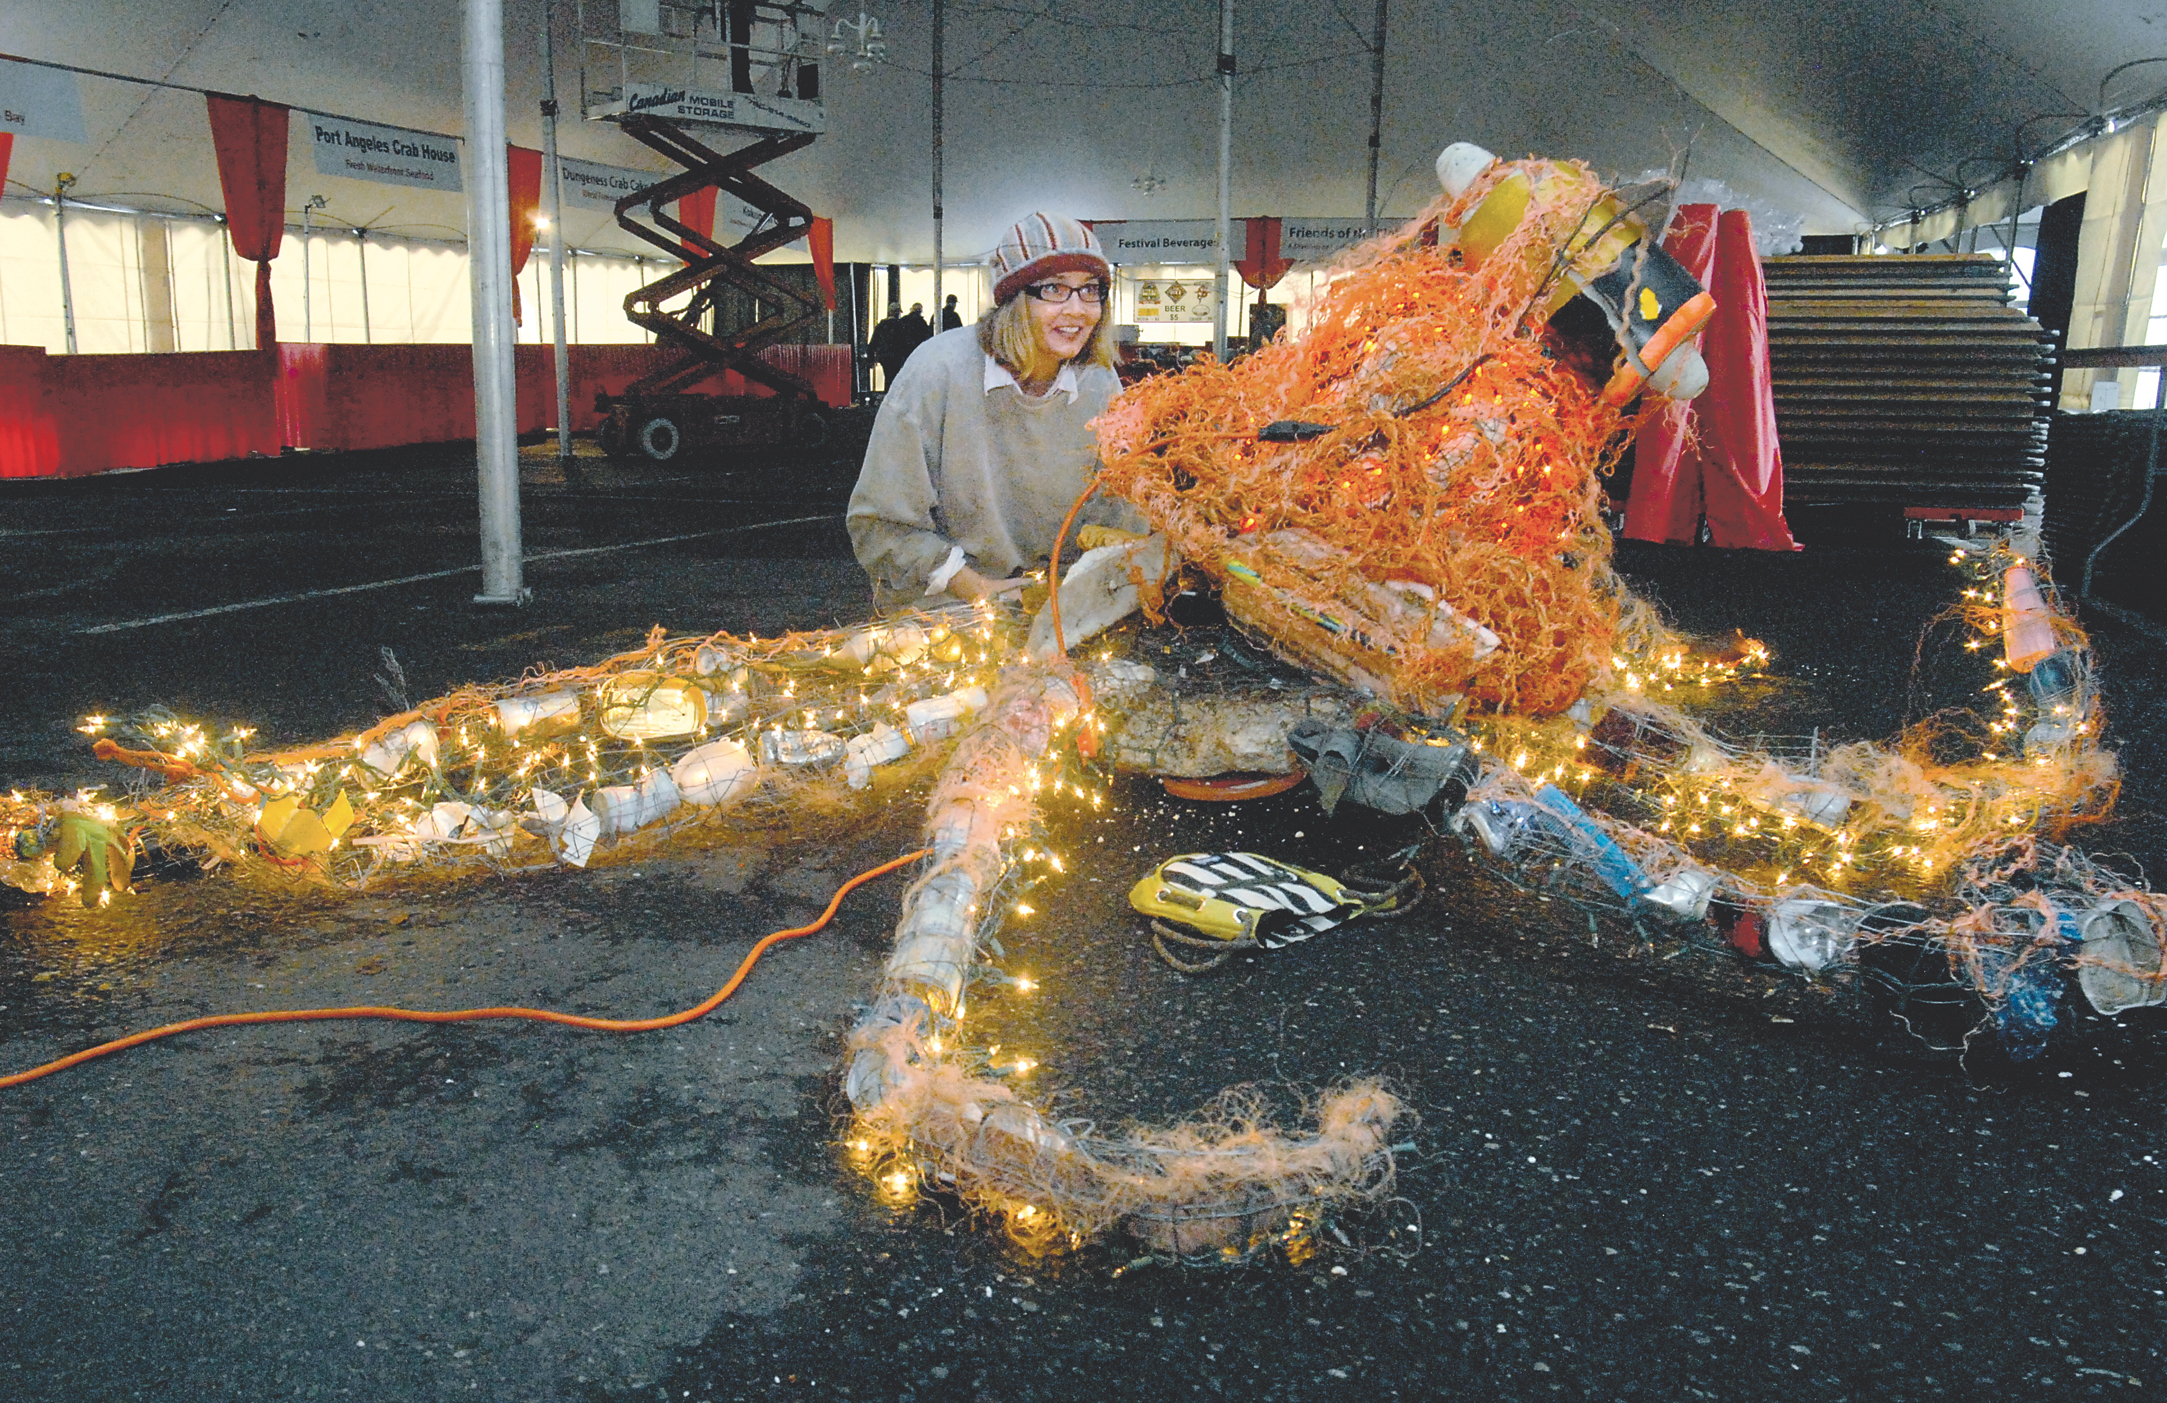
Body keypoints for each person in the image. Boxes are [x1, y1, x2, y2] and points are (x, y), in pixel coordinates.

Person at [848, 213, 1145, 609]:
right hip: (949, 605)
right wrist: (973, 588)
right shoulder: (937, 371)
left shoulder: (1098, 380)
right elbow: (878, 524)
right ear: (1013, 299)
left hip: (1056, 599)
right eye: (1055, 289)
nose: (1078, 309)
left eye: (1091, 290)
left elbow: (1117, 509)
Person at [867, 302, 911, 388]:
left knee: (888, 376)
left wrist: (871, 359)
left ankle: (887, 393)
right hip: (898, 356)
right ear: (897, 312)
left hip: (885, 356)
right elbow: (906, 343)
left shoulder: (881, 326)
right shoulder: (901, 326)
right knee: (896, 377)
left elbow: (873, 343)